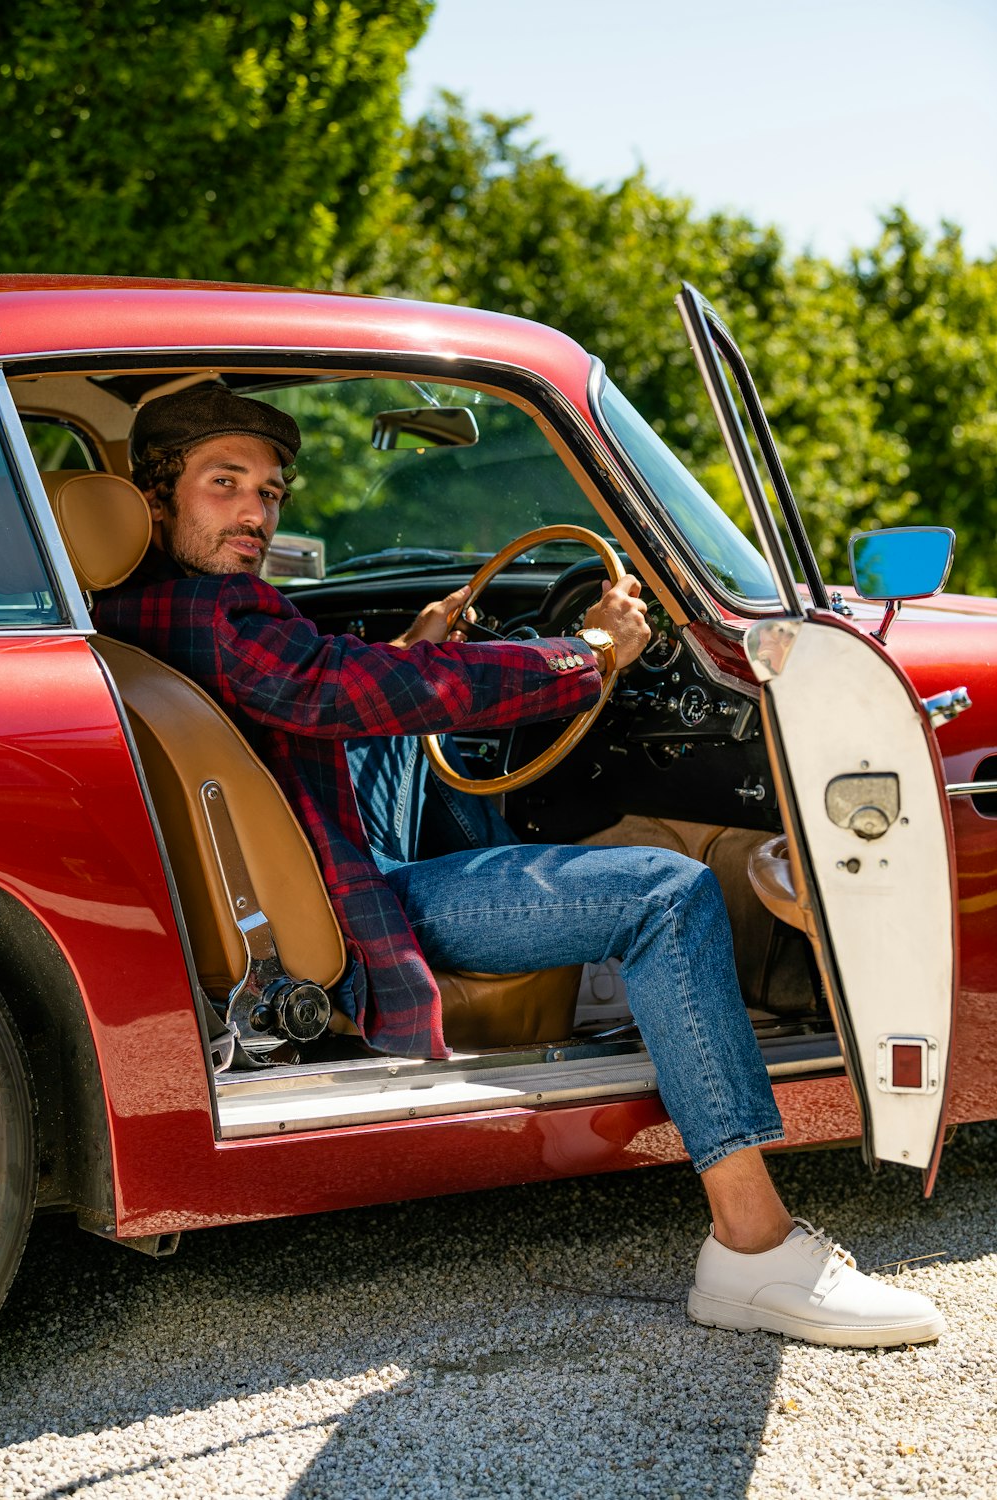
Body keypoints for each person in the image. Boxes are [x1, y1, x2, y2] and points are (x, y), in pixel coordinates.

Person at [93, 384, 944, 1348]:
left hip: (301, 855)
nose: (256, 511)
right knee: (667, 892)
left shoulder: (129, 607)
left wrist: (418, 654)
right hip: (345, 907)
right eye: (224, 485)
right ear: (155, 497)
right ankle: (753, 1248)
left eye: (271, 490)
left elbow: (319, 693)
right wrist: (582, 656)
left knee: (459, 768)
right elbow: (327, 685)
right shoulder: (218, 609)